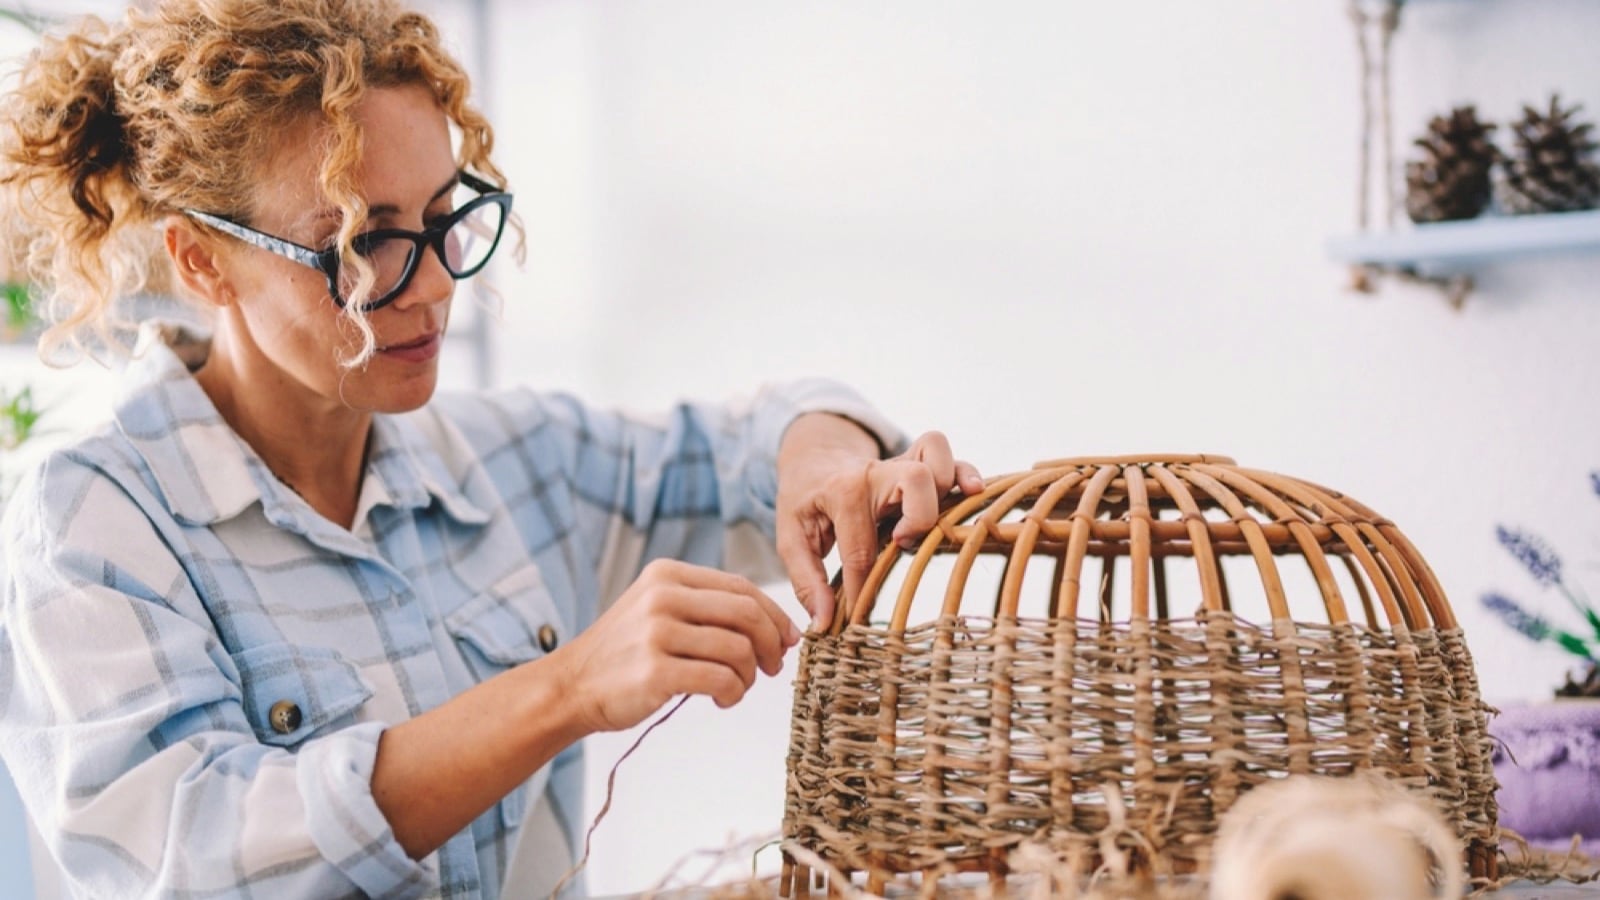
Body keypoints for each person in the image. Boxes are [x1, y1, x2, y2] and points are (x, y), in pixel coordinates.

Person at [0, 1, 982, 897]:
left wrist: (822, 459)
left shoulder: (508, 459)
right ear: (202, 260)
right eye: (360, 242)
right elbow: (201, 861)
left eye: (439, 220)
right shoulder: (91, 525)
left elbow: (754, 436)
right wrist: (561, 691)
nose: (430, 286)